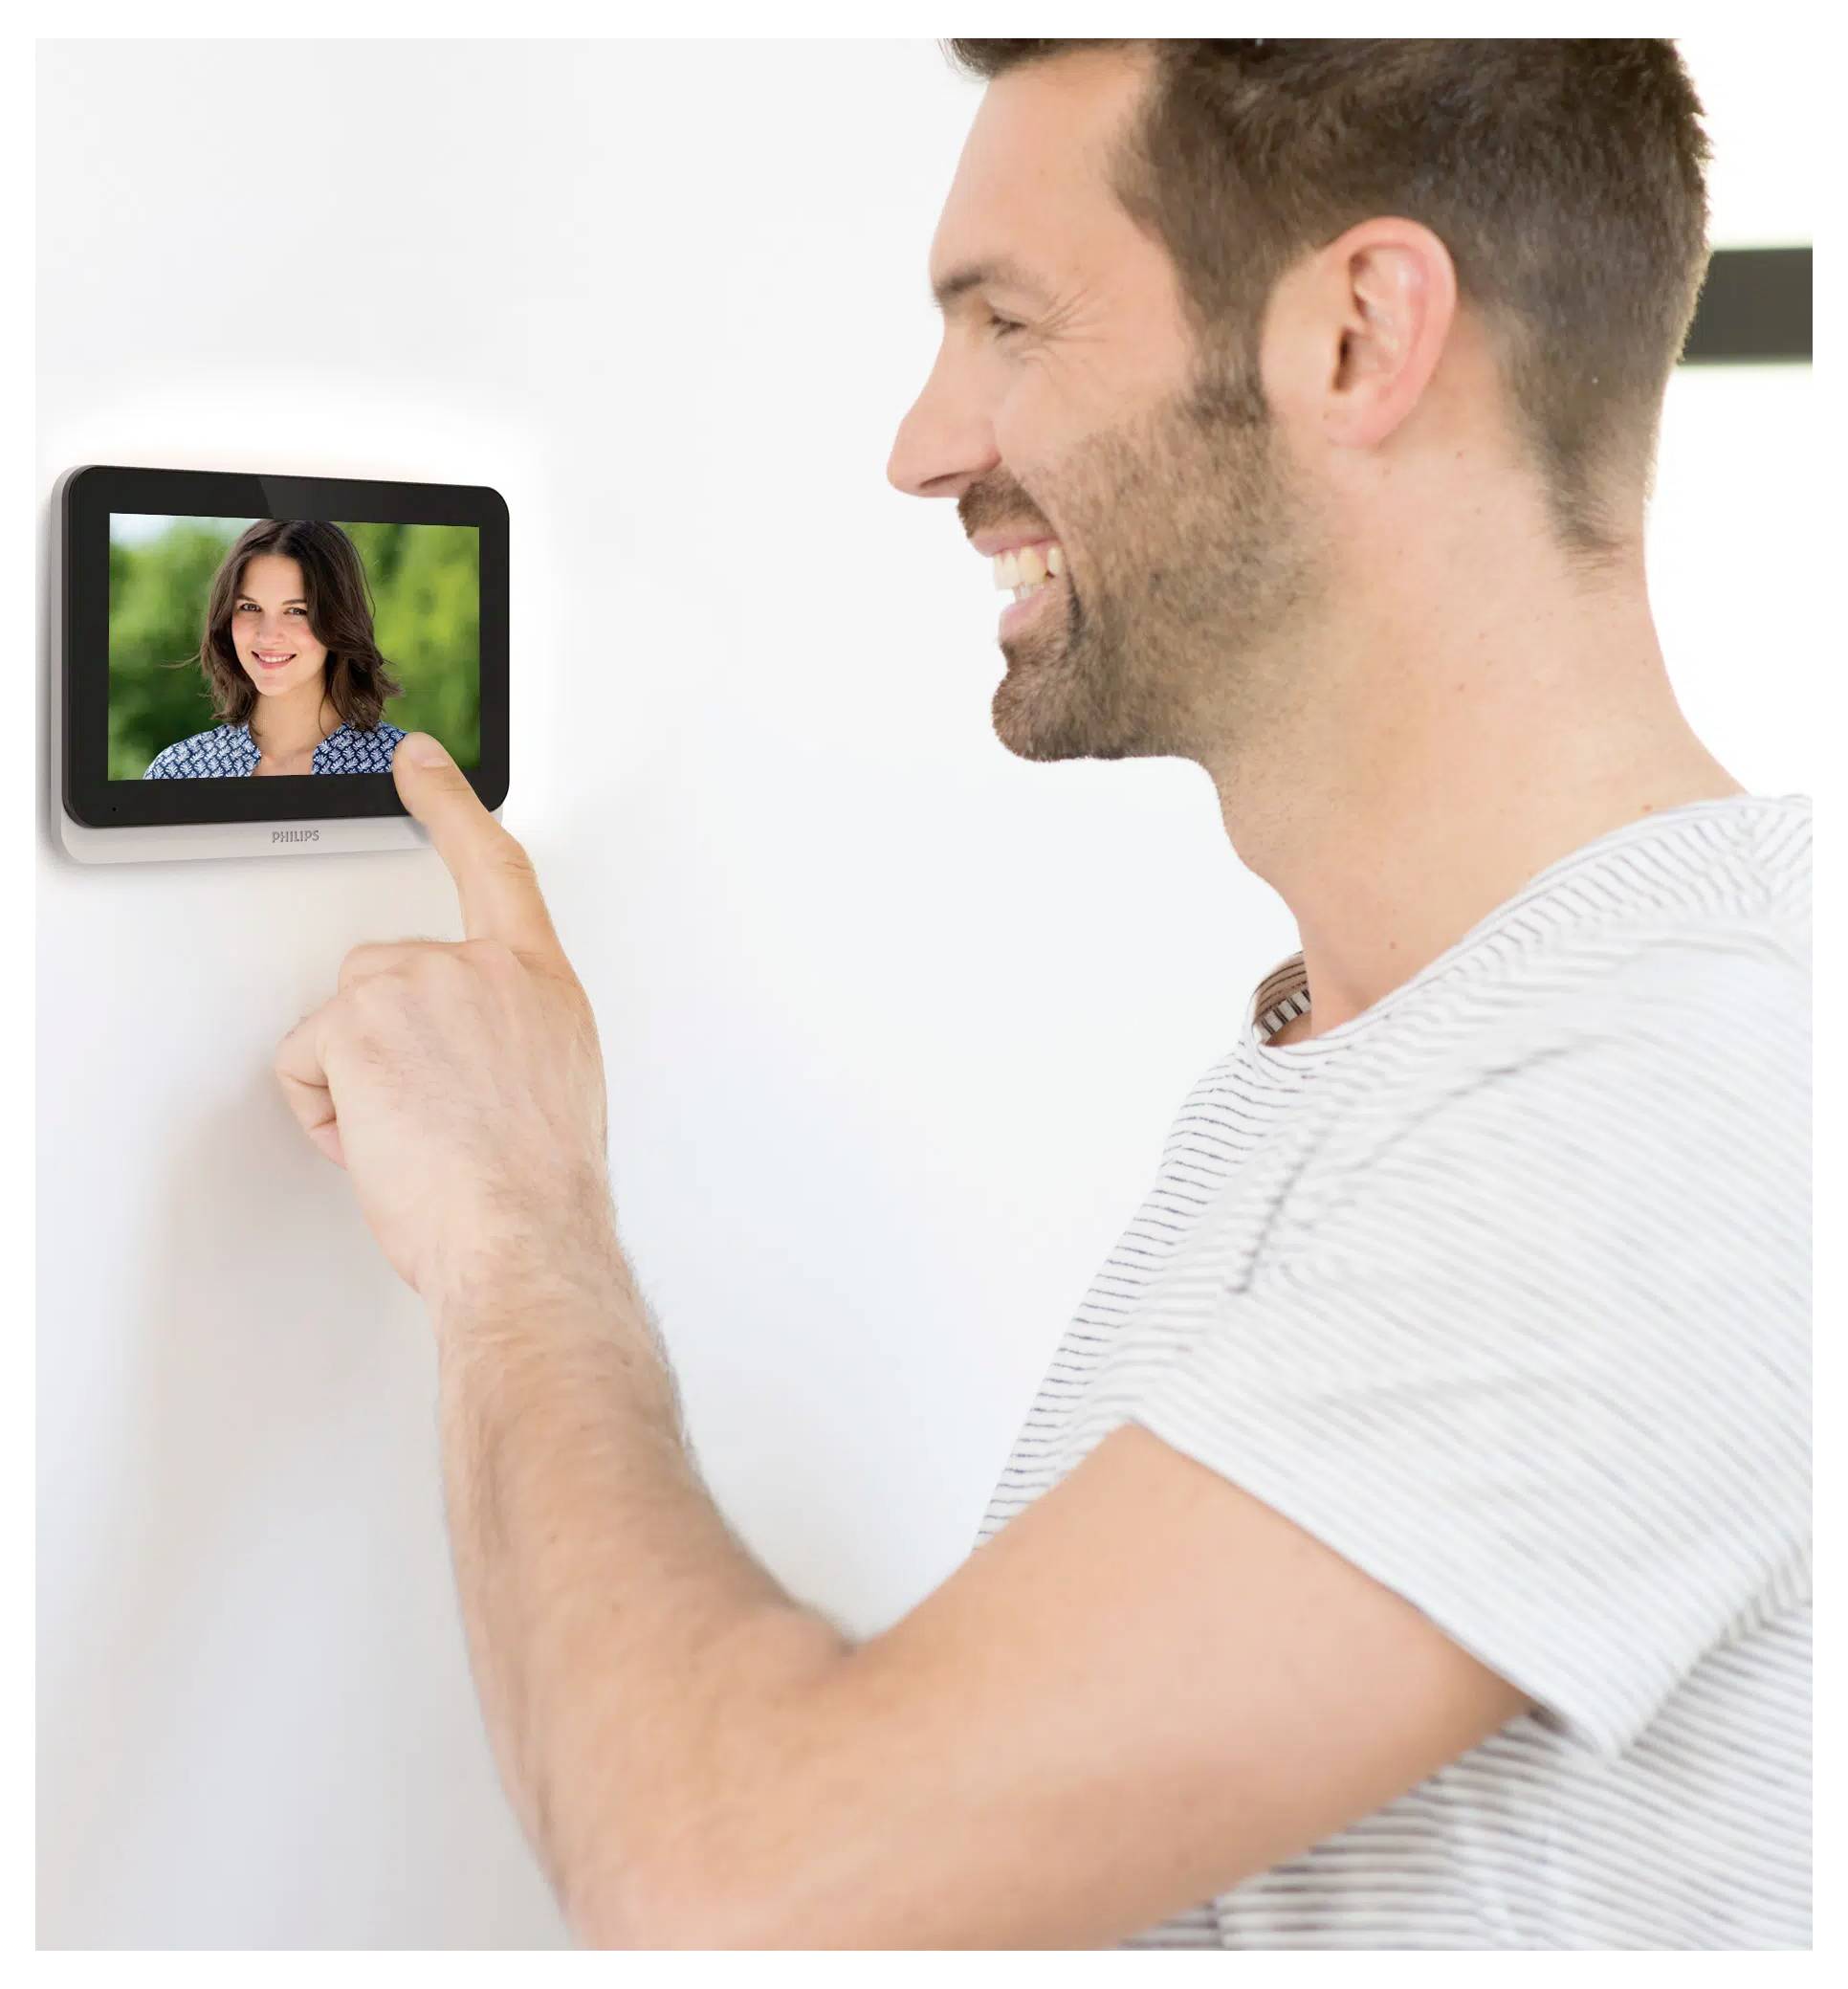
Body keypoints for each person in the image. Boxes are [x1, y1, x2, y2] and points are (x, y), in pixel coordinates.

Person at [275, 39, 1810, 1951]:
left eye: (1006, 321)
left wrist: (519, 1235)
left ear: (1355, 337)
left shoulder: (1666, 1100)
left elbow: (741, 1886)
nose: (922, 443)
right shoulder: (1396, 1039)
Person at [143, 518, 407, 778]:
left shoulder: (401, 769)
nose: (268, 636)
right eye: (250, 607)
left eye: (295, 610)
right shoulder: (178, 770)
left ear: (337, 619)